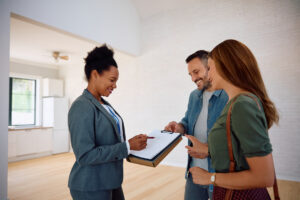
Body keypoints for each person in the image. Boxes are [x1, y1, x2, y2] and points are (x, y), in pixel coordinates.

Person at [189, 39, 279, 199]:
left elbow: (264, 176)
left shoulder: (242, 105)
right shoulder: (238, 102)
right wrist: (208, 149)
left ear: (225, 66)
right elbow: (237, 151)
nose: (207, 75)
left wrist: (209, 177)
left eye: (209, 68)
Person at [68, 44, 148, 200]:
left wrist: (132, 144)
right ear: (95, 74)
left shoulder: (103, 104)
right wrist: (127, 146)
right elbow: (84, 155)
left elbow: (111, 139)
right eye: (112, 80)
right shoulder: (82, 106)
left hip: (110, 180)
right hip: (90, 185)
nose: (115, 85)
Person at [164, 50, 228, 200]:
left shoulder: (228, 96)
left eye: (196, 71)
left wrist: (209, 150)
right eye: (190, 74)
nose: (193, 78)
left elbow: (235, 139)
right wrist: (179, 127)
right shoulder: (194, 96)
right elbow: (187, 121)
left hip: (218, 176)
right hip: (193, 173)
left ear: (210, 67)